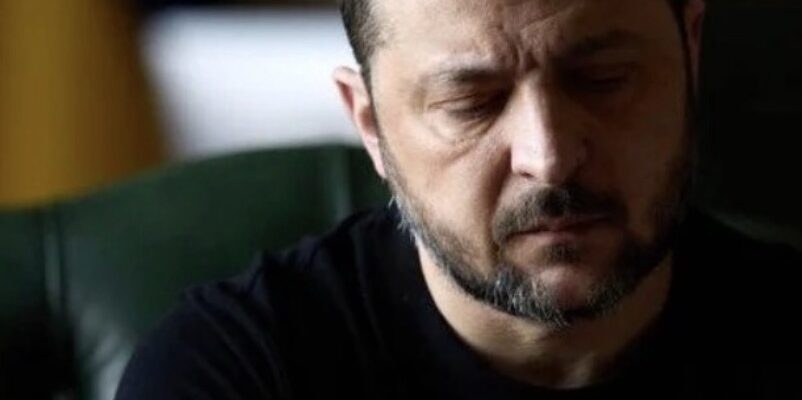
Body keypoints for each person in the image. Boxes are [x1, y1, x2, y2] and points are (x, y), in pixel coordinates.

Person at [115, 0, 802, 398]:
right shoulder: (235, 373)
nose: (549, 156)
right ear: (370, 125)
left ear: (690, 53)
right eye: (471, 104)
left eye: (603, 79)